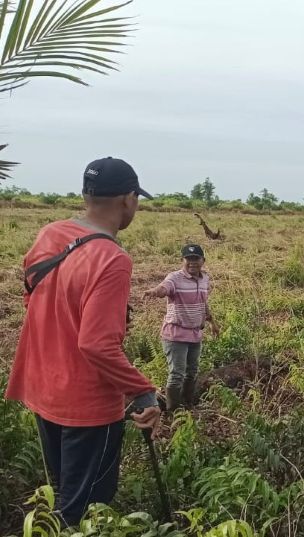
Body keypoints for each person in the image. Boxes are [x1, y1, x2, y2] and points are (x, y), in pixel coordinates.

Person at [5, 157, 161, 526]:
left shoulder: (50, 234)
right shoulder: (112, 259)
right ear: (128, 199)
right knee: (85, 512)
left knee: (60, 497)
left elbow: (32, 299)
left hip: (43, 391)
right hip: (87, 407)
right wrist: (143, 391)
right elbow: (97, 344)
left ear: (85, 194)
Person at [143, 244, 219, 411]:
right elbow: (164, 288)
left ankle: (188, 404)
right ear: (182, 260)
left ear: (203, 261)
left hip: (195, 334)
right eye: (188, 259)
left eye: (196, 259)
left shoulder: (205, 278)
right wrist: (155, 291)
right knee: (177, 374)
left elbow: (203, 302)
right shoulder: (175, 278)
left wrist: (212, 321)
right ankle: (174, 411)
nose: (192, 263)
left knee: (192, 371)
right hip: (175, 334)